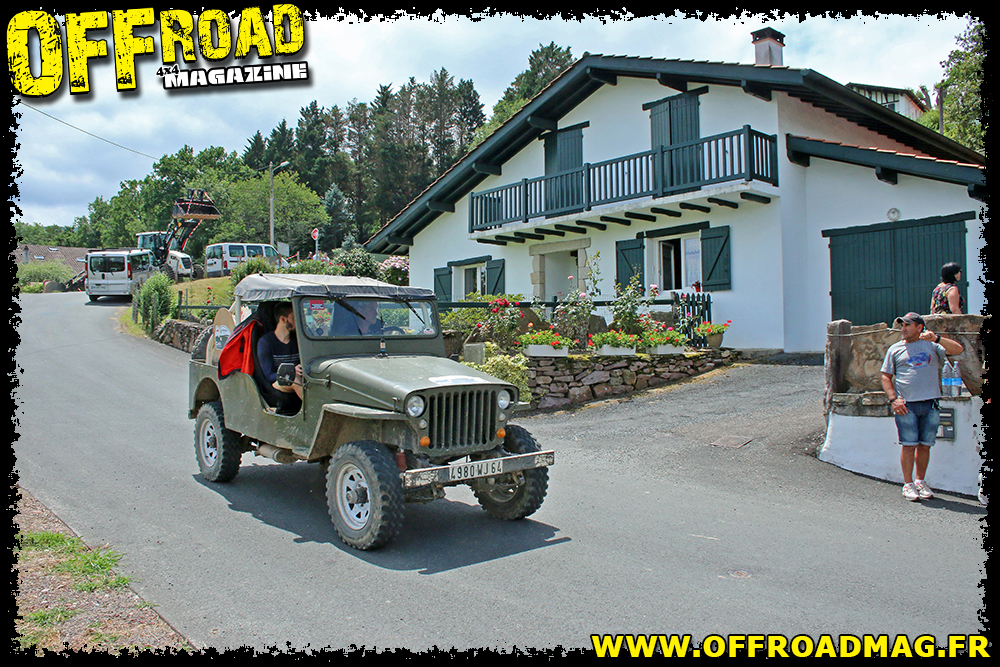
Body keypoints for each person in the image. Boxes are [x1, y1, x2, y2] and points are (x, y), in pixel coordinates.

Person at [880, 312, 964, 501]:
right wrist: (893, 399)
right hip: (906, 405)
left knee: (925, 445)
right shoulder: (895, 349)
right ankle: (908, 484)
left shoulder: (932, 345)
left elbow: (958, 349)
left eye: (907, 325)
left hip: (930, 403)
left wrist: (937, 338)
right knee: (909, 446)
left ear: (919, 328)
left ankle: (920, 481)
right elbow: (886, 376)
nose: (903, 329)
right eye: (902, 325)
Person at [257, 302, 303, 406]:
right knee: (294, 380)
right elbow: (269, 375)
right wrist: (291, 371)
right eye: (294, 318)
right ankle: (315, 409)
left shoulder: (298, 340)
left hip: (300, 377)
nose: (298, 322)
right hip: (277, 382)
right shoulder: (266, 342)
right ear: (283, 319)